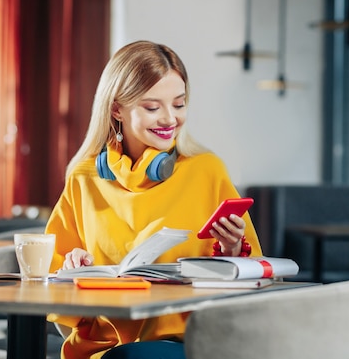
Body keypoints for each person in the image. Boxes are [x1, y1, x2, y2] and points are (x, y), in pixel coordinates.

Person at [45, 40, 263, 359]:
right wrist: (71, 266)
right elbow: (51, 279)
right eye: (152, 107)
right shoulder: (85, 176)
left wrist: (231, 251)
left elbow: (252, 278)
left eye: (179, 104)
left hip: (189, 343)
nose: (169, 119)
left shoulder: (206, 170)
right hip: (104, 346)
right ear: (117, 108)